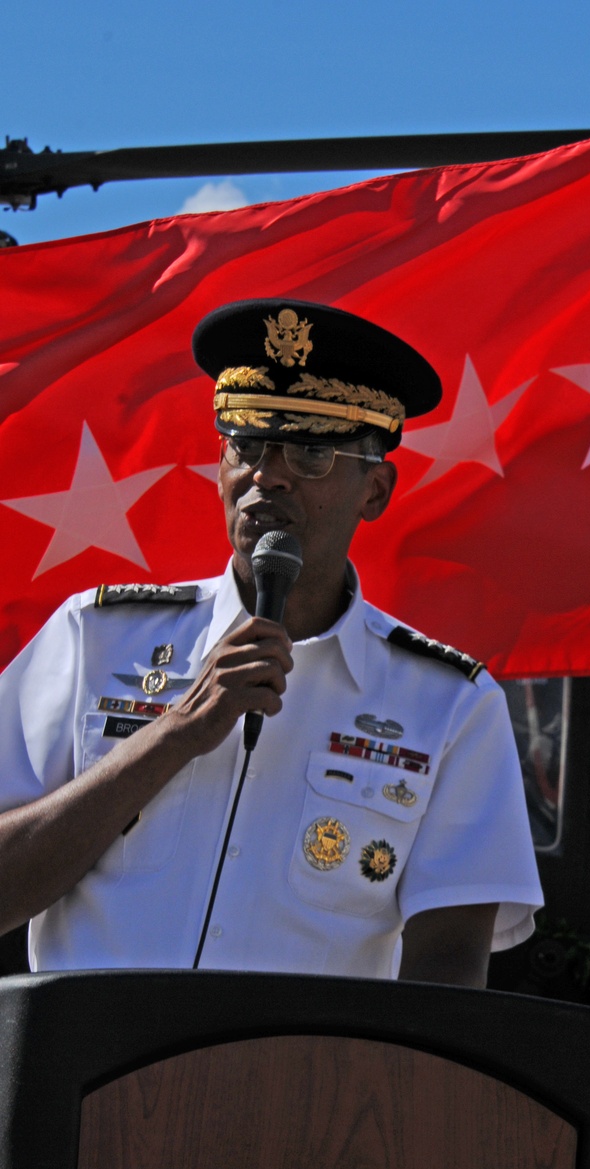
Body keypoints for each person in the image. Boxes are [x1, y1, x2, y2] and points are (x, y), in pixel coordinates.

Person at [0, 299, 543, 984]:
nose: (269, 475)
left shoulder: (450, 706)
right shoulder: (96, 636)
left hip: (303, 1090)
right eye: (247, 445)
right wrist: (174, 733)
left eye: (312, 453)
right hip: (84, 1083)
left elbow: (447, 973)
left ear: (374, 491)